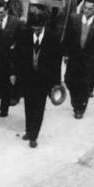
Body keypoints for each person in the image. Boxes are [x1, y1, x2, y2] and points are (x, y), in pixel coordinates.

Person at [14, 8, 63, 148]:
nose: (35, 31)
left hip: (44, 79)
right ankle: (29, 130)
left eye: (38, 28)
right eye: (33, 28)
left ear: (43, 26)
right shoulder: (24, 35)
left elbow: (56, 62)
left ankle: (34, 135)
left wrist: (56, 82)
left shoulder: (53, 37)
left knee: (39, 107)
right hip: (28, 78)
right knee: (28, 105)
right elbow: (18, 56)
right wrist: (16, 74)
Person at [63, 0, 94, 119]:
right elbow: (68, 37)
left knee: (84, 84)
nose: (87, 11)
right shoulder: (74, 19)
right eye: (85, 8)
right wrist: (66, 53)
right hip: (74, 57)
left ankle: (79, 108)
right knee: (69, 81)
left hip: (90, 60)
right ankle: (75, 101)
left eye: (90, 9)